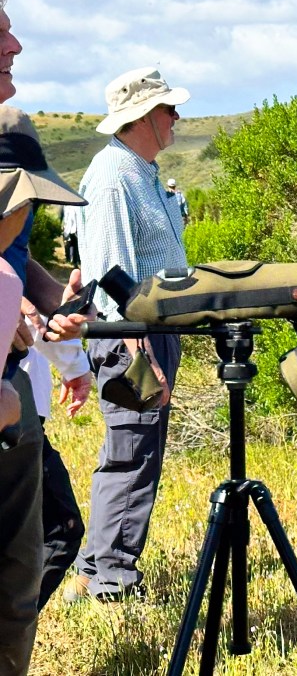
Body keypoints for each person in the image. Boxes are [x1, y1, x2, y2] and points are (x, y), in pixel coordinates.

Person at [66, 66, 190, 603]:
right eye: (168, 109)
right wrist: (140, 350)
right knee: (131, 453)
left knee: (135, 449)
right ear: (142, 117)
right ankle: (110, 580)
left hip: (147, 332)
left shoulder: (139, 172)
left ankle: (95, 568)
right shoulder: (115, 175)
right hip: (129, 334)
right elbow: (112, 270)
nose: (176, 117)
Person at [0, 0, 88, 676]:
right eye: (0, 35)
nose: (17, 47)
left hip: (10, 388)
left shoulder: (15, 135)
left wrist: (49, 303)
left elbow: (15, 257)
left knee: (49, 536)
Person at [19, 301, 91, 610]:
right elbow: (25, 315)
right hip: (15, 415)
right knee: (60, 530)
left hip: (22, 413)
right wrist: (73, 363)